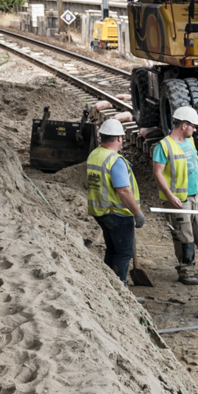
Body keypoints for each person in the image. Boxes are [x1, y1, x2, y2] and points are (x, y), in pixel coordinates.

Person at [150, 105, 198, 286]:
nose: (195, 130)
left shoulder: (189, 142)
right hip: (179, 200)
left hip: (197, 196)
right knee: (184, 237)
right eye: (193, 126)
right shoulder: (164, 146)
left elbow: (191, 161)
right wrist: (169, 196)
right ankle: (186, 271)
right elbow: (158, 173)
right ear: (184, 125)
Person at [85, 118, 145, 294]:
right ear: (119, 138)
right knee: (124, 253)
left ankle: (108, 286)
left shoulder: (95, 154)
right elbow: (124, 191)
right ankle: (121, 291)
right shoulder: (115, 160)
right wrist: (137, 213)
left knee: (112, 249)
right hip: (117, 213)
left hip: (100, 211)